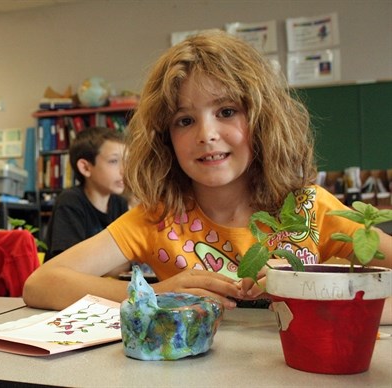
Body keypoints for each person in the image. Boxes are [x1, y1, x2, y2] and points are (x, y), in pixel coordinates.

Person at [23, 31, 392, 312]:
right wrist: (156, 294)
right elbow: (41, 283)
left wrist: (313, 290)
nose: (207, 135)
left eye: (227, 111)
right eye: (184, 120)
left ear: (262, 120)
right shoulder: (159, 219)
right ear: (164, 138)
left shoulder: (309, 210)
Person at [44, 126, 128, 263]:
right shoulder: (70, 201)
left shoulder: (120, 203)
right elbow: (71, 265)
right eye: (114, 161)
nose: (124, 170)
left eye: (126, 161)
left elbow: (127, 258)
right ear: (85, 167)